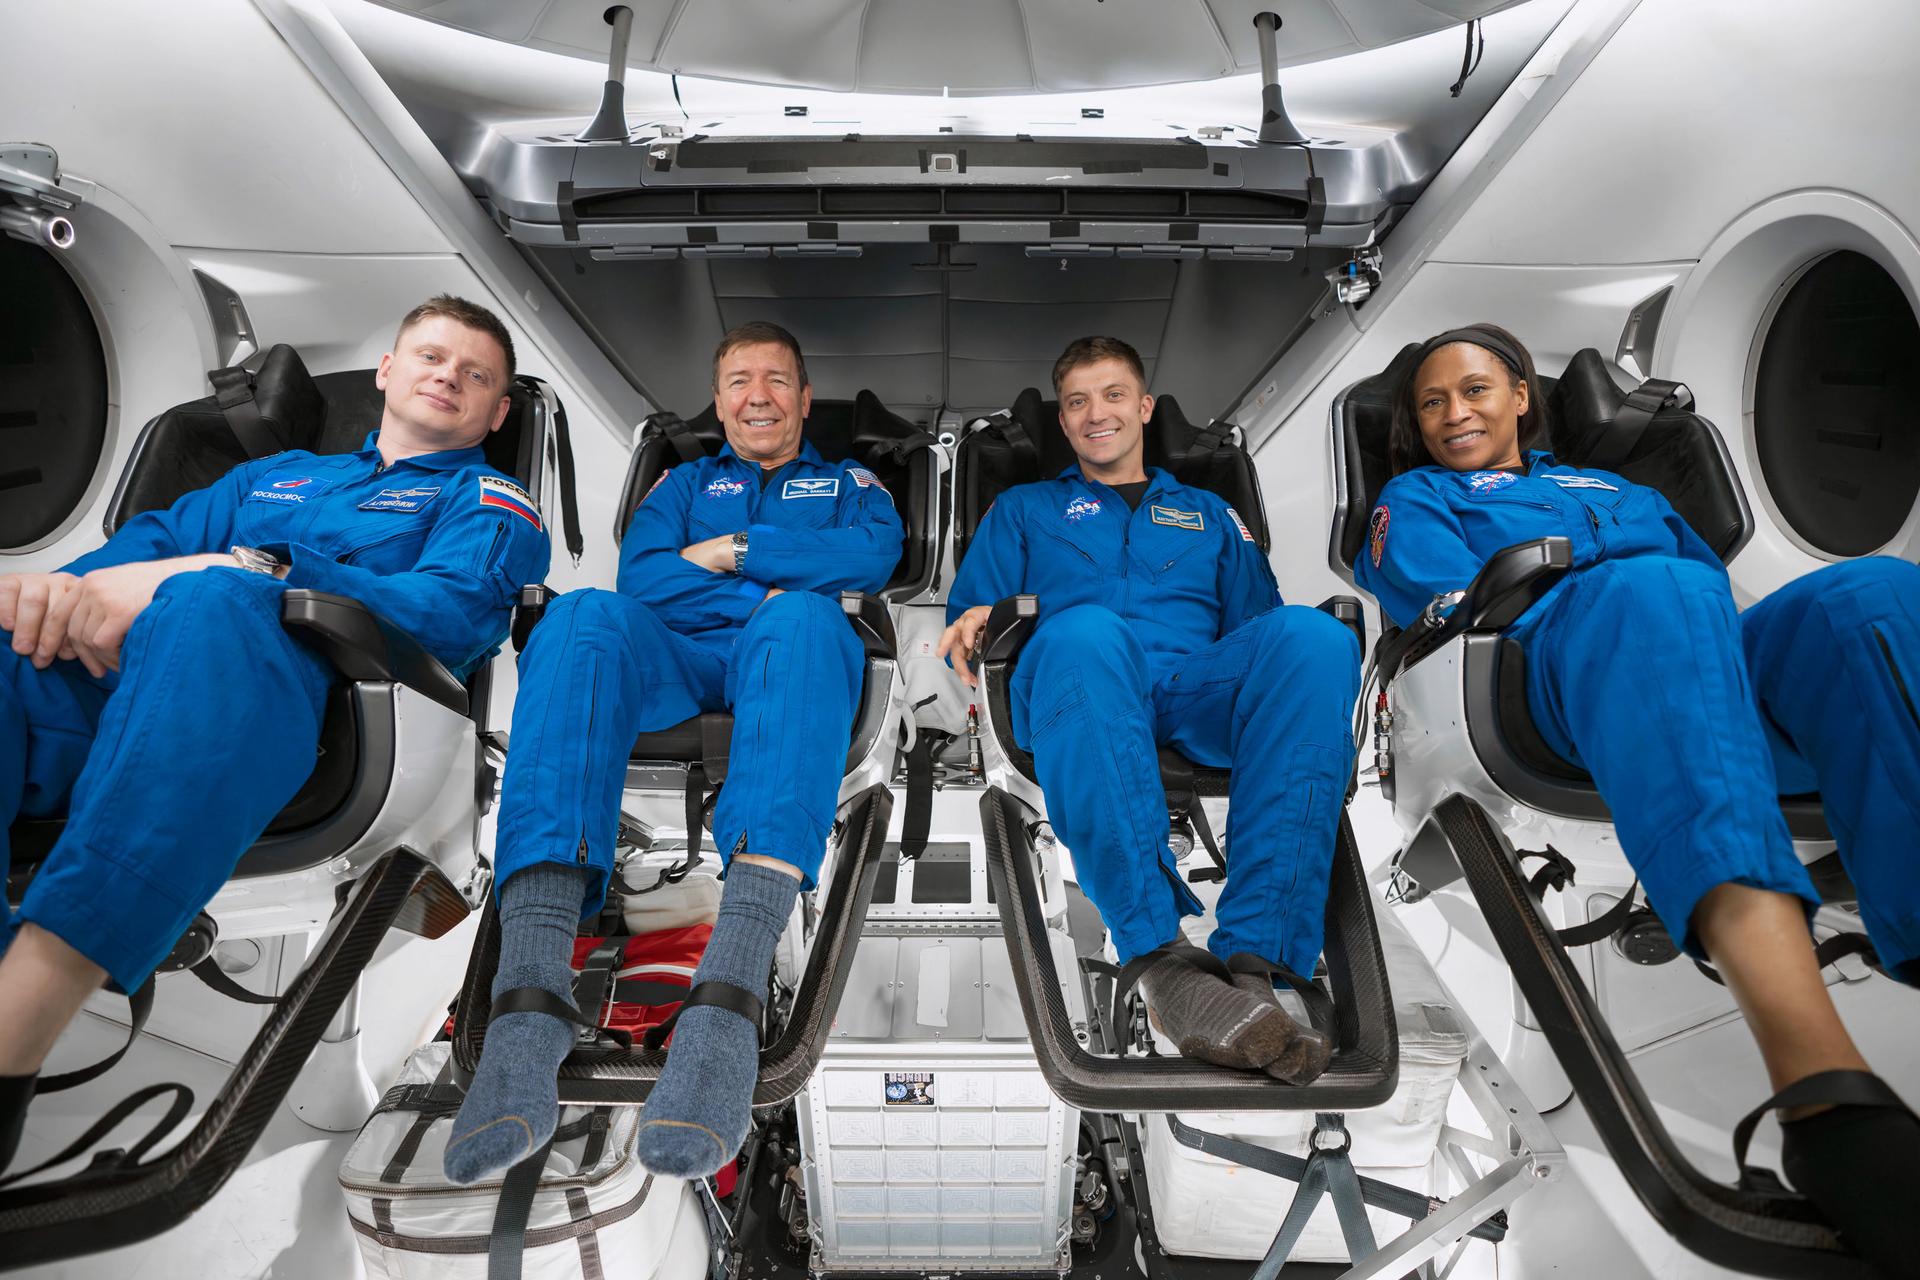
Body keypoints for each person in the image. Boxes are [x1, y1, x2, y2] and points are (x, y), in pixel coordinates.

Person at [1356, 321, 1920, 1271]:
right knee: (1654, 593)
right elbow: (1439, 596)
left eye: (1476, 391)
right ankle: (1823, 1095)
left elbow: (1713, 594)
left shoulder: (1620, 490)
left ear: (1523, 398)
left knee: (1866, 597)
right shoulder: (1418, 495)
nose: (1456, 413)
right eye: (1433, 402)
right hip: (1535, 669)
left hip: (1686, 645)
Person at [0, 295, 550, 1172]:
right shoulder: (277, 476)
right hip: (123, 687)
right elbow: (142, 552)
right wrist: (54, 598)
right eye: (430, 356)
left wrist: (253, 569)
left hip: (319, 716)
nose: (447, 375)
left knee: (215, 598)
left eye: (474, 374)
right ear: (387, 374)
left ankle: (29, 1005)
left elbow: (449, 613)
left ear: (496, 412)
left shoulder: (490, 499)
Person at [444, 321, 904, 1184]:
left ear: (805, 400)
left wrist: (735, 552)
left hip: (789, 647)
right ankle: (530, 997)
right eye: (737, 380)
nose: (756, 395)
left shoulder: (851, 482)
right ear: (720, 398)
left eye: (775, 380)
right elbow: (645, 578)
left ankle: (725, 999)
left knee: (807, 616)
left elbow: (871, 553)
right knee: (580, 615)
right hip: (675, 652)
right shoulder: (682, 481)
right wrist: (780, 568)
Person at [938, 336, 1357, 1084]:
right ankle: (1158, 957)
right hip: (1076, 685)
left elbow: (1261, 633)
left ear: (1144, 408)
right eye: (1077, 402)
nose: (1096, 413)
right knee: (1088, 629)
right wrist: (970, 623)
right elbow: (971, 623)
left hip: (1193, 687)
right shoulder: (1024, 509)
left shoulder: (1209, 513)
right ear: (1064, 423)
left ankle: (1262, 954)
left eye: (1112, 395)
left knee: (1314, 637)